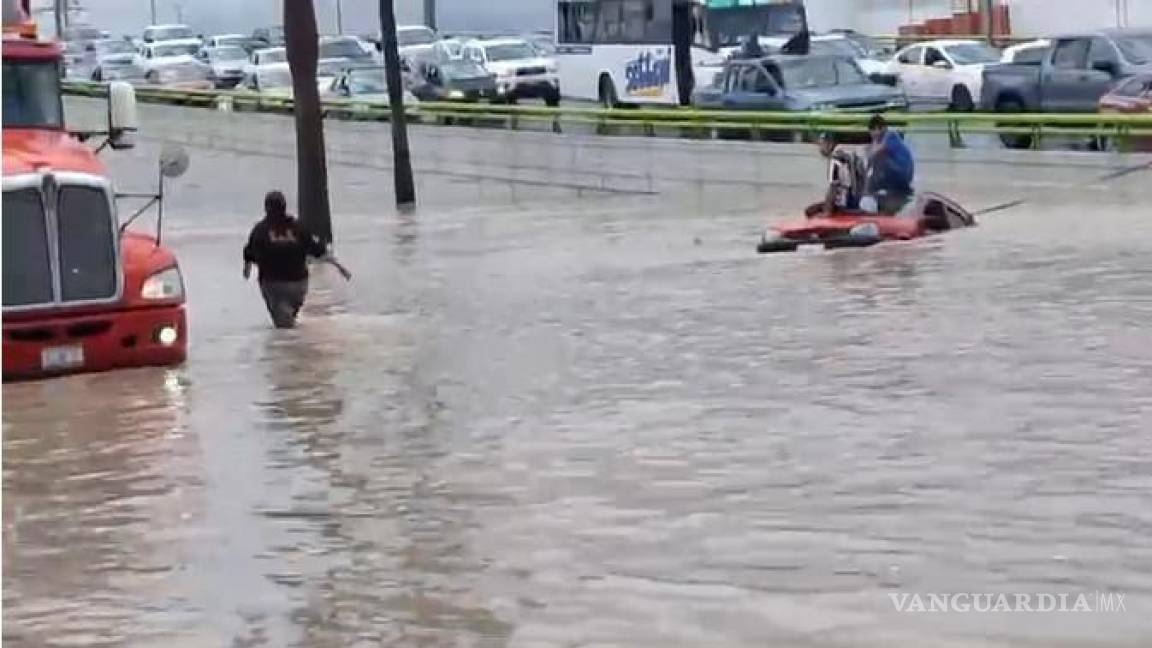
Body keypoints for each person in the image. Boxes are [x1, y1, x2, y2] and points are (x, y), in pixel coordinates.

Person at [242, 191, 351, 329]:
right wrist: (340, 267)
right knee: (288, 320)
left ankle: (286, 340)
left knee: (282, 325)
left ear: (266, 208)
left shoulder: (260, 230)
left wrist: (247, 269)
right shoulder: (298, 227)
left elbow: (249, 253)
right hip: (298, 284)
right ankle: (292, 336)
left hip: (273, 285)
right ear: (284, 207)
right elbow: (320, 251)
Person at [806, 132, 867, 218]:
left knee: (810, 211)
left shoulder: (835, 160)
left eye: (821, 145)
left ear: (830, 144)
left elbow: (833, 187)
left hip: (845, 203)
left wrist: (827, 211)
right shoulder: (847, 155)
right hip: (858, 199)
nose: (820, 149)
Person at [864, 114, 915, 215]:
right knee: (875, 162)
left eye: (874, 131)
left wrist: (874, 142)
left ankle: (872, 191)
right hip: (898, 172)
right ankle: (872, 191)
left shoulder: (891, 136)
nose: (872, 134)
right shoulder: (885, 139)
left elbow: (873, 154)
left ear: (882, 129)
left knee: (879, 159)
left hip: (903, 174)